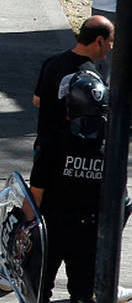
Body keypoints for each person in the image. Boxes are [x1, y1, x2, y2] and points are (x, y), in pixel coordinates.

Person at [29, 70, 119, 303]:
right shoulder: (111, 147)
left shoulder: (53, 142)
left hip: (52, 229)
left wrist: (23, 232)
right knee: (83, 294)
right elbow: (121, 201)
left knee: (38, 290)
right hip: (90, 232)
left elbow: (34, 197)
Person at [33, 15, 114, 149]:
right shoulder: (92, 77)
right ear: (99, 41)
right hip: (73, 153)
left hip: (45, 146)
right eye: (110, 41)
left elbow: (37, 100)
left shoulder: (52, 62)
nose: (111, 47)